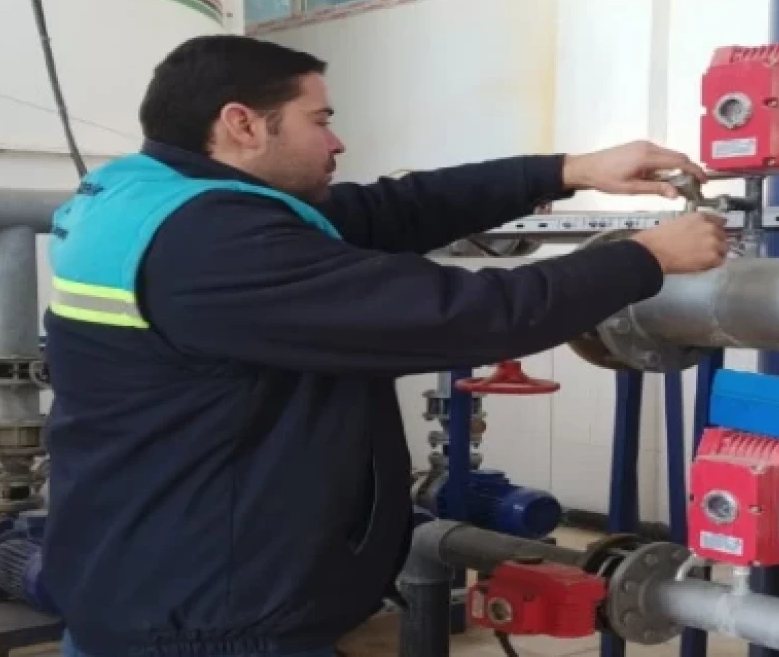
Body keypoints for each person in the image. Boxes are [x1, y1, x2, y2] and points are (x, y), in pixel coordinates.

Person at [42, 34, 729, 657]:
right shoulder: (209, 244)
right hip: (205, 619)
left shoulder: (154, 198)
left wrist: (569, 170)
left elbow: (391, 209)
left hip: (154, 576)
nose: (336, 141)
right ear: (242, 124)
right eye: (320, 119)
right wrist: (644, 259)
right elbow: (459, 317)